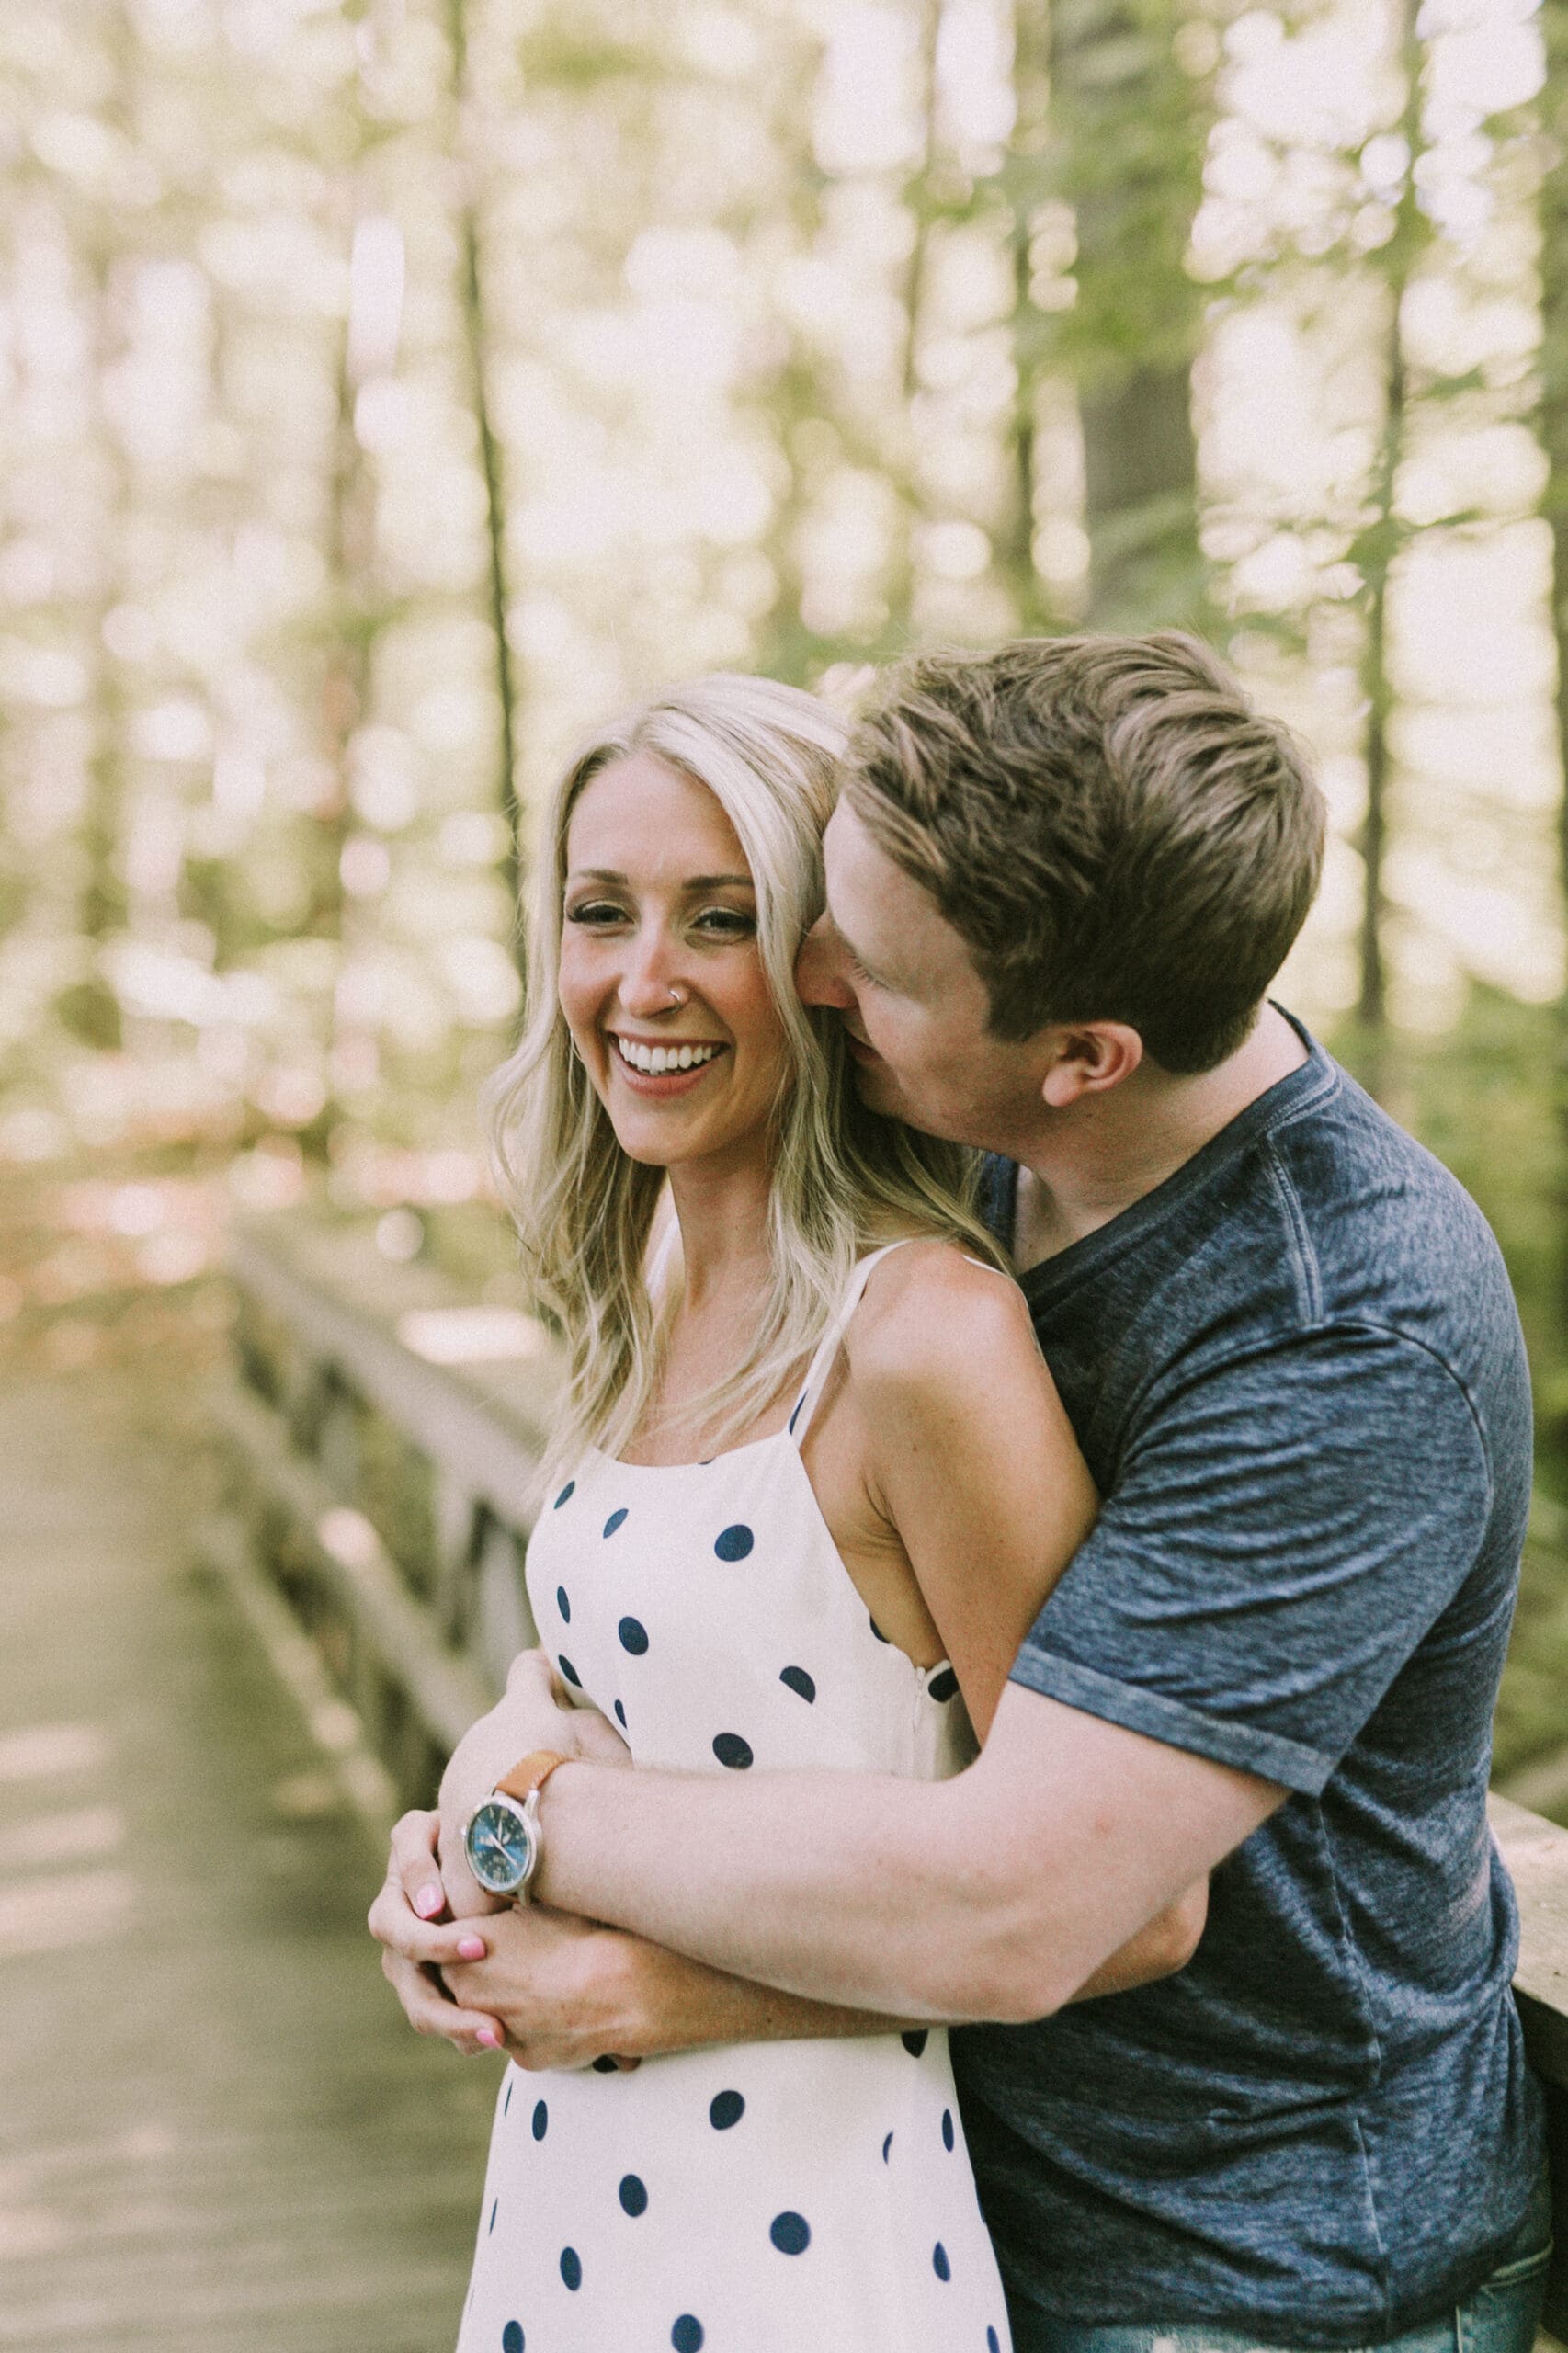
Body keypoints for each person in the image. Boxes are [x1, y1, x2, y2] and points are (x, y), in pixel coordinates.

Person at [373, 633, 1549, 2353]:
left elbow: (1041, 1906)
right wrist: (489, 1838)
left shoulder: (1341, 1331)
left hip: (1244, 2271)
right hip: (930, 2192)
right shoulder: (952, 1140)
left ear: (1081, 1054)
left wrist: (534, 1828)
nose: (816, 973)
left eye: (860, 955)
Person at [375, 670, 1206, 2353]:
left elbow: (1124, 1903)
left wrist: (658, 1979)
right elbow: (614, 1708)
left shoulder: (925, 1345)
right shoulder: (644, 1276)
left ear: (829, 967)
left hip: (813, 2246)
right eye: (598, 912)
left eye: (721, 918)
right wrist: (453, 1868)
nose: (642, 980)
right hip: (563, 2208)